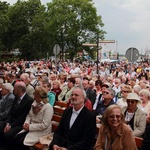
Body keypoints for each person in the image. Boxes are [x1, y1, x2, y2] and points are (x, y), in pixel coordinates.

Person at [49, 86, 96, 150]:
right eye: (72, 95)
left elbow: (87, 141)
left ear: (83, 98)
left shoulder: (89, 116)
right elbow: (59, 131)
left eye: (76, 95)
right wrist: (55, 144)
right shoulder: (67, 111)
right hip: (61, 145)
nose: (73, 97)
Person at [0, 81, 33, 149]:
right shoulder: (16, 97)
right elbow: (11, 112)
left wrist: (11, 126)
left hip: (20, 123)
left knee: (8, 134)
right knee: (0, 125)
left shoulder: (29, 100)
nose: (13, 90)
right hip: (11, 121)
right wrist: (8, 123)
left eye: (14, 88)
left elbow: (23, 117)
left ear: (19, 90)